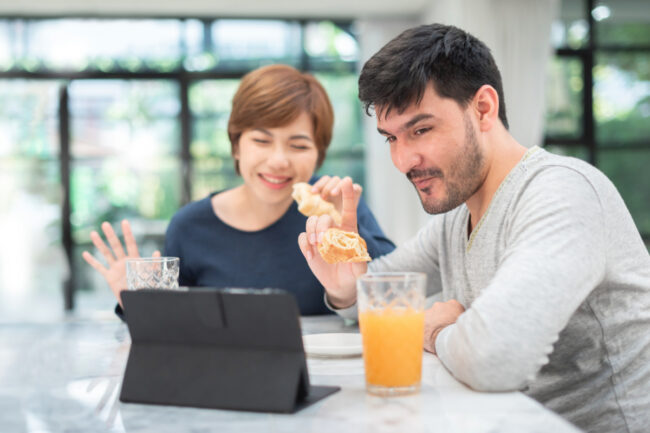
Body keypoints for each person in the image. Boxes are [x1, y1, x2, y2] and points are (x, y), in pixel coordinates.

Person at [298, 24, 650, 433]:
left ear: (483, 108)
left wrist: (433, 328)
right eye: (391, 138)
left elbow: (493, 358)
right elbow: (382, 300)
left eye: (421, 129)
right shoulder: (455, 218)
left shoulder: (563, 192)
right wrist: (347, 287)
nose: (403, 160)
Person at [83, 64, 395, 316]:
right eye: (261, 141)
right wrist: (137, 304)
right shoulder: (190, 227)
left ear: (319, 154)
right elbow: (172, 330)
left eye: (298, 145)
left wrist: (349, 244)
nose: (278, 161)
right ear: (236, 146)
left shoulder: (340, 210)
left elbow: (396, 297)